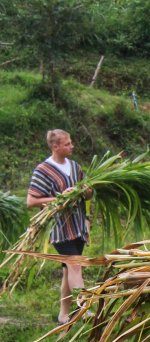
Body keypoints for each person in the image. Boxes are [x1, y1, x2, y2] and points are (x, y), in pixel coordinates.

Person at [26, 129, 92, 325]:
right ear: (55, 146)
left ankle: (63, 315)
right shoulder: (43, 170)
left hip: (78, 225)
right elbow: (31, 201)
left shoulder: (74, 166)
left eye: (70, 143)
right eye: (67, 144)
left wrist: (85, 190)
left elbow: (88, 194)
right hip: (60, 228)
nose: (72, 146)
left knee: (68, 271)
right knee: (75, 266)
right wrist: (61, 198)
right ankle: (84, 308)